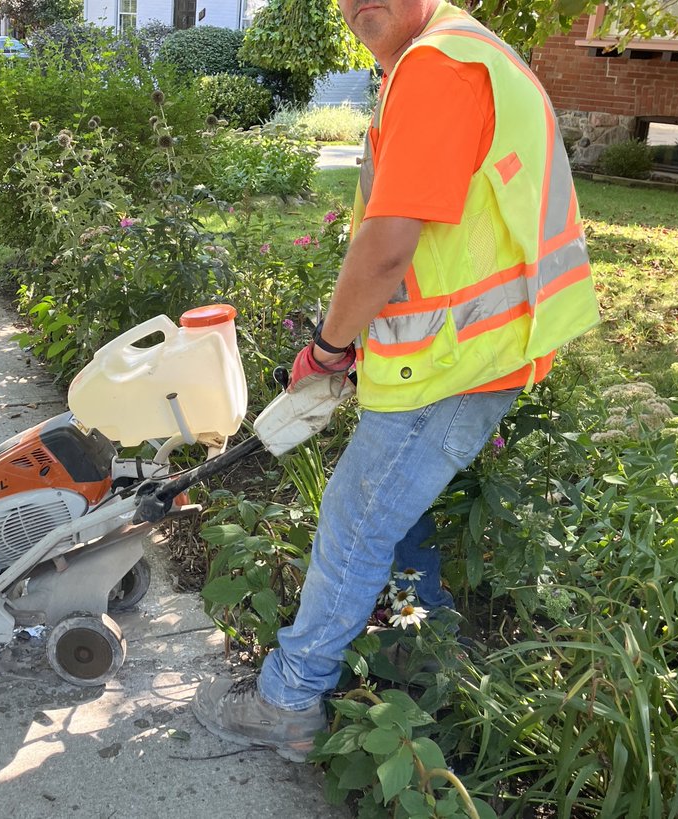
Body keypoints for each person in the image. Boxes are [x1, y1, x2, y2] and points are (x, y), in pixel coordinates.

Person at [191, 0, 600, 763]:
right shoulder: (460, 55)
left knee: (355, 519)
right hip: (467, 354)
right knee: (400, 518)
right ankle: (429, 656)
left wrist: (327, 348)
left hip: (455, 363)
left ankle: (288, 698)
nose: (356, 2)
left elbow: (387, 248)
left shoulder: (439, 67)